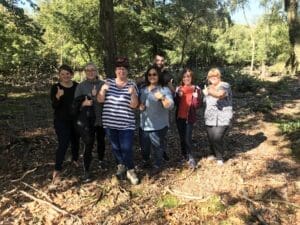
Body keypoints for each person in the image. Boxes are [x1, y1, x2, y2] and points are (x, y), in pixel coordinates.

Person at [97, 57, 139, 185]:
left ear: (127, 71)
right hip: (110, 123)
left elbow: (134, 105)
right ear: (115, 70)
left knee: (126, 148)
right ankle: (121, 166)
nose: (121, 71)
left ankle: (130, 170)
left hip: (126, 124)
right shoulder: (107, 82)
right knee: (116, 147)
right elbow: (100, 100)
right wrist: (103, 89)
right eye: (119, 68)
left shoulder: (132, 84)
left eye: (124, 69)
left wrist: (132, 94)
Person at [136, 52, 174, 161]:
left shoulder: (165, 82)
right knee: (145, 147)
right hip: (145, 124)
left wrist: (163, 97)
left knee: (159, 145)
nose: (152, 76)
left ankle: (159, 161)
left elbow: (170, 103)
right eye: (150, 75)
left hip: (160, 121)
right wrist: (140, 106)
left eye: (154, 74)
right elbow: (138, 102)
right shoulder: (143, 89)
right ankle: (147, 160)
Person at [74, 62, 106, 181]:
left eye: (93, 70)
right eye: (88, 70)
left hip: (102, 119)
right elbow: (75, 105)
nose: (90, 72)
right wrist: (84, 103)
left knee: (101, 141)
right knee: (88, 144)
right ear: (85, 72)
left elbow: (109, 100)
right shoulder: (81, 86)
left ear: (96, 71)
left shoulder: (103, 84)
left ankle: (101, 160)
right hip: (87, 121)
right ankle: (86, 170)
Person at [50, 64, 79, 181]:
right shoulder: (56, 87)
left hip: (76, 120)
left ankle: (75, 159)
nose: (65, 76)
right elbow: (54, 105)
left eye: (67, 73)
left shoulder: (77, 86)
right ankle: (57, 169)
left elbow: (81, 100)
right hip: (61, 120)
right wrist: (58, 96)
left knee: (75, 141)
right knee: (63, 143)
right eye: (62, 74)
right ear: (59, 76)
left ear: (71, 74)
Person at [202, 68, 233, 165]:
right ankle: (213, 154)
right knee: (211, 138)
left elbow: (220, 95)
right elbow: (203, 102)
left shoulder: (225, 85)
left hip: (223, 117)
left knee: (217, 137)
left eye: (215, 75)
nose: (213, 78)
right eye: (211, 76)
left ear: (219, 76)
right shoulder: (208, 88)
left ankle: (219, 158)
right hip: (210, 117)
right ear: (208, 78)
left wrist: (209, 92)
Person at [175, 68, 201, 169]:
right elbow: (176, 103)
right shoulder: (179, 88)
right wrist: (178, 96)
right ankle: (184, 154)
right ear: (182, 78)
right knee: (182, 137)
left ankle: (191, 157)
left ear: (192, 77)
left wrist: (195, 97)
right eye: (184, 76)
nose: (186, 78)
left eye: (188, 76)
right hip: (179, 117)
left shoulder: (196, 88)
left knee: (187, 138)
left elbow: (197, 105)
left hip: (189, 117)